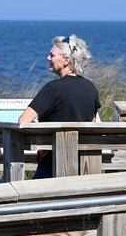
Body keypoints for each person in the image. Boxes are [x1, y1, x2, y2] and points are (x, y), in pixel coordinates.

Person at [19, 35, 101, 179]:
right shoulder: (91, 88)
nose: (47, 58)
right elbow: (92, 122)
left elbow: (23, 121)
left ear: (66, 60)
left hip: (52, 164)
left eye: (52, 55)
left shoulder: (53, 89)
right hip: (82, 165)